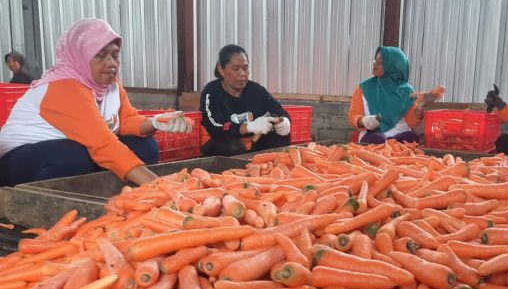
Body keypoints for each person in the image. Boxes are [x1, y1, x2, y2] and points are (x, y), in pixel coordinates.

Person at [0, 19, 191, 187]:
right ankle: (41, 202)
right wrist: (162, 188)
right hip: (19, 163)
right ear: (79, 55)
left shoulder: (111, 85)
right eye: (100, 55)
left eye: (115, 55)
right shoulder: (63, 87)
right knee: (73, 157)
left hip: (73, 149)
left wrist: (156, 122)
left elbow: (126, 121)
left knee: (145, 145)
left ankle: (112, 193)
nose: (112, 63)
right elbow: (103, 145)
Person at [199, 44, 291, 157]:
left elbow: (278, 109)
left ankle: (267, 168)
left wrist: (284, 121)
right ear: (221, 69)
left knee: (281, 136)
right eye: (236, 69)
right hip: (222, 145)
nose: (242, 74)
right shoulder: (211, 92)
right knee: (233, 146)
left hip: (252, 144)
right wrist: (248, 127)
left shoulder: (256, 90)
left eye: (245, 68)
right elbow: (215, 128)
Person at [348, 46, 441, 144]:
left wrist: (421, 105)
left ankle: (394, 149)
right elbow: (353, 115)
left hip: (399, 139)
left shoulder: (406, 91)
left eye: (380, 62)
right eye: (375, 60)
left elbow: (412, 122)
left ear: (393, 66)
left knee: (411, 138)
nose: (374, 64)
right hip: (373, 137)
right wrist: (364, 121)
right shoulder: (364, 88)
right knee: (377, 139)